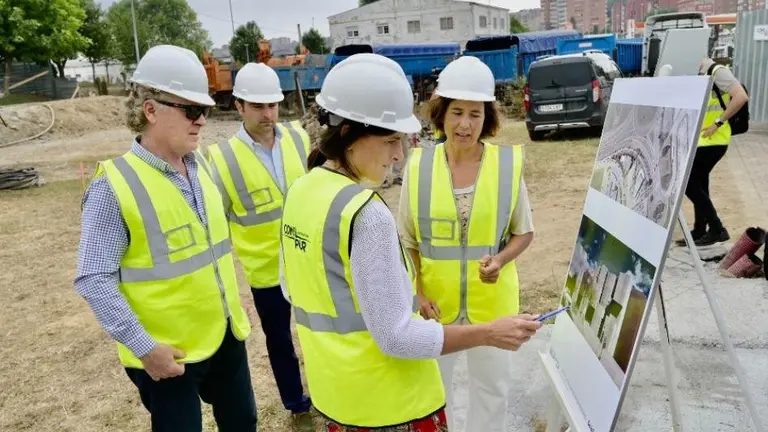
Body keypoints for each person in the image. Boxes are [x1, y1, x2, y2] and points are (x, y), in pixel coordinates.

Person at [279, 52, 542, 432]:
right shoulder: (365, 214)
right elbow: (396, 336)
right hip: (391, 403)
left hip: (336, 395)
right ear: (350, 134)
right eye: (390, 140)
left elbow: (294, 289)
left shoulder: (300, 192)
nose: (399, 154)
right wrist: (487, 331)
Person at [73, 45, 256, 431]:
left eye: (204, 110)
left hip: (225, 336)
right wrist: (145, 348)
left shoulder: (201, 164)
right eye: (190, 110)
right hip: (167, 356)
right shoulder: (113, 186)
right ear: (150, 109)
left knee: (243, 422)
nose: (202, 121)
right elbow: (93, 278)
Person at [397, 55, 535, 432]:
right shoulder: (418, 167)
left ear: (486, 118)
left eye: (475, 114)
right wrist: (419, 294)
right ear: (441, 113)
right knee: (434, 390)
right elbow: (407, 239)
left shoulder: (507, 166)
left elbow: (524, 232)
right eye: (457, 112)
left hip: (492, 304)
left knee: (492, 391)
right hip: (435, 306)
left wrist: (502, 260)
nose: (465, 124)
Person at [205, 62, 314, 430]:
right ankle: (296, 402)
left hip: (310, 261)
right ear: (238, 106)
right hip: (266, 273)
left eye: (273, 104)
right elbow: (216, 225)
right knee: (280, 341)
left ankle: (327, 390)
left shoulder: (299, 138)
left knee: (320, 331)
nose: (268, 114)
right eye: (258, 106)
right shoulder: (221, 159)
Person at [675, 57, 749, 247]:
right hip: (702, 141)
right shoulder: (700, 76)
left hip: (715, 139)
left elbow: (740, 96)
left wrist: (718, 123)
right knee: (700, 183)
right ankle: (701, 229)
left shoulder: (717, 72)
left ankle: (717, 228)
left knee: (688, 182)